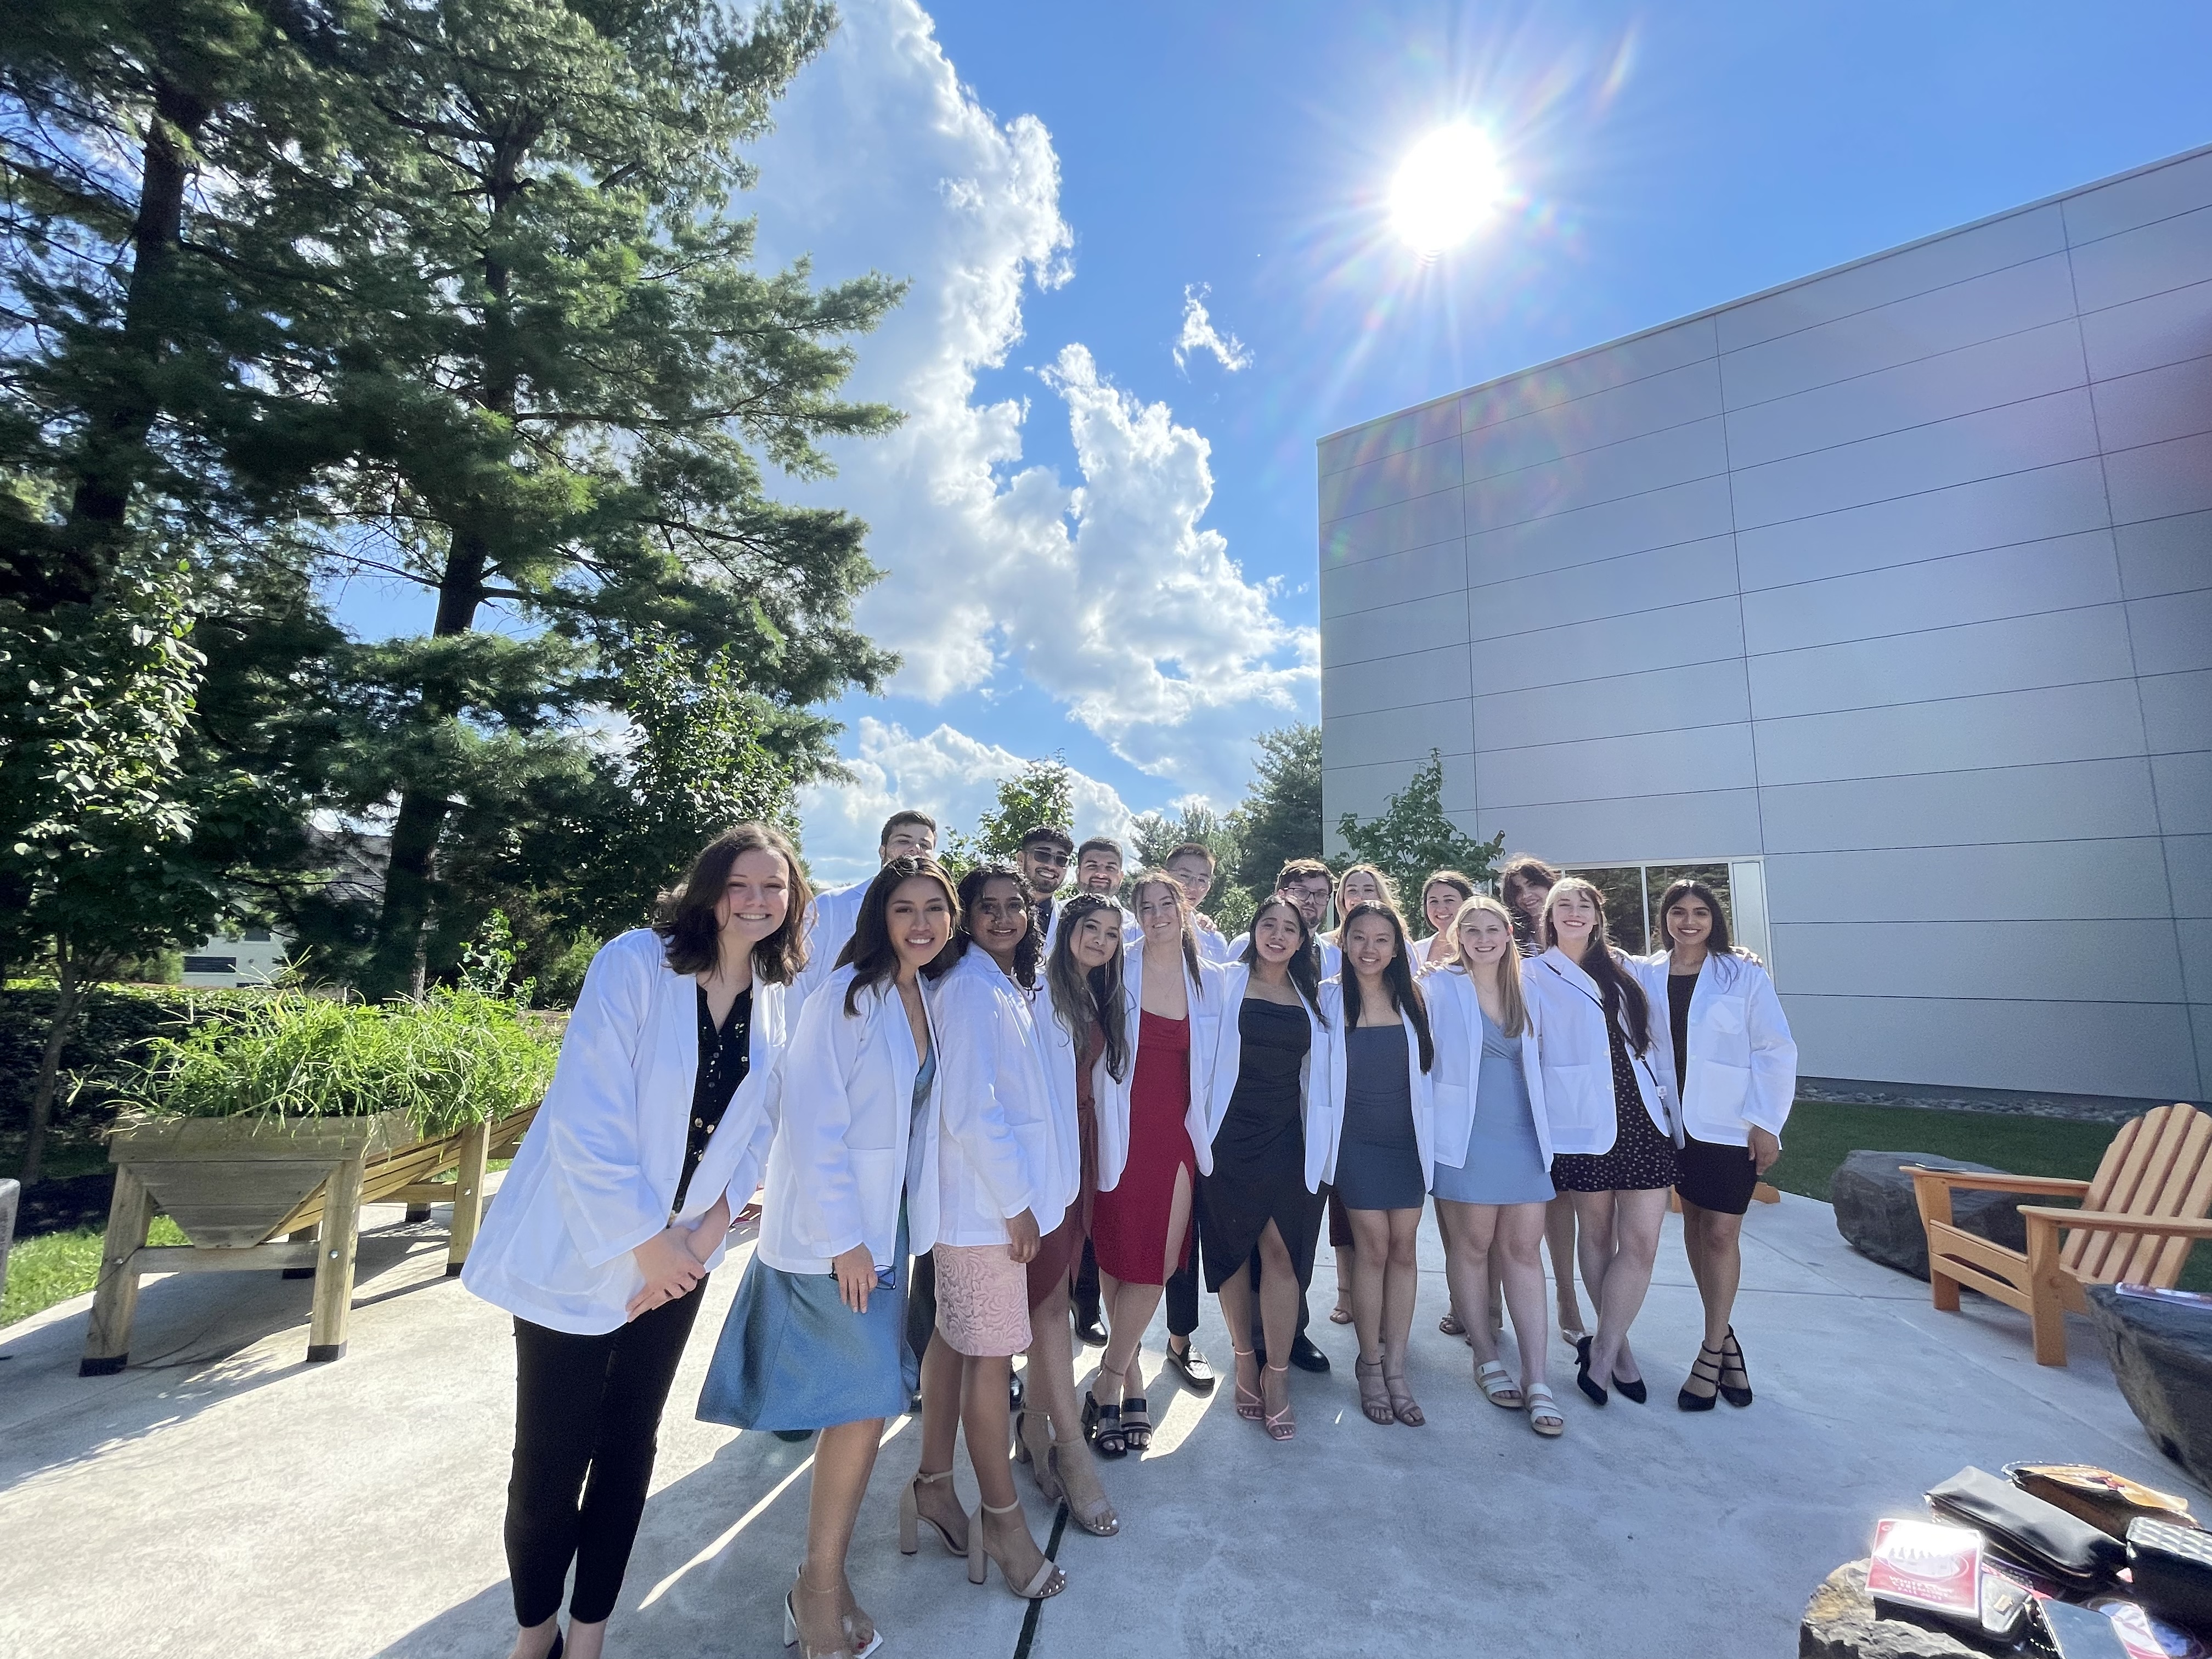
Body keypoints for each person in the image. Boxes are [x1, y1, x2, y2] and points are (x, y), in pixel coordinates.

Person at [462, 823, 803, 1659]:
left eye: (776, 888)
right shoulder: (635, 963)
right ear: (709, 887)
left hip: (685, 1257)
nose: (758, 901)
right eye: (742, 884)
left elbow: (761, 1128)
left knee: (628, 1448)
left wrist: (704, 1237)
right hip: (583, 1247)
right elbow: (586, 1116)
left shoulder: (774, 994)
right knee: (549, 1458)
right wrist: (647, 1247)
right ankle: (535, 1628)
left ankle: (589, 1635)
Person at [694, 856, 953, 1658]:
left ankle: (820, 1581)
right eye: (903, 908)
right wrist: (847, 1239)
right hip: (840, 1240)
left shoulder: (926, 997)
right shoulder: (846, 998)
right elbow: (810, 1120)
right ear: (879, 918)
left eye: (934, 908)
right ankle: (818, 1590)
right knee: (859, 1408)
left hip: (890, 1227)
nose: (920, 923)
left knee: (865, 1409)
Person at [907, 866, 1068, 1602]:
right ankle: (1002, 1522)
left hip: (979, 1209)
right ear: (966, 917)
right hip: (987, 1210)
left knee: (956, 1341)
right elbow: (971, 1108)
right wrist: (1016, 1202)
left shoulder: (995, 981)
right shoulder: (973, 988)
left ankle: (934, 1485)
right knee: (988, 1362)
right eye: (989, 907)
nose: (1004, 917)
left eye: (1016, 907)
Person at [1630, 879, 1796, 1412]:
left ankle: (1708, 1353)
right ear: (1665, 919)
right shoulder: (1647, 974)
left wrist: (1767, 1122)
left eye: (1701, 913)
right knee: (1697, 1225)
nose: (1689, 921)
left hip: (1733, 1128)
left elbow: (1774, 1048)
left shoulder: (1742, 974)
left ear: (1714, 920)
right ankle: (1725, 1339)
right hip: (1674, 1126)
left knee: (1722, 1233)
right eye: (1678, 912)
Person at [1525, 877, 1677, 1410]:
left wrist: (1737, 957)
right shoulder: (1533, 974)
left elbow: (1681, 965)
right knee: (1597, 1237)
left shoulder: (1629, 968)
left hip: (1643, 1119)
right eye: (1561, 904)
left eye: (1582, 904)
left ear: (1596, 916)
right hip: (1581, 1125)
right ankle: (1622, 1354)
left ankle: (1604, 1347)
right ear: (1548, 917)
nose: (1572, 911)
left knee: (1641, 1244)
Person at [1088, 871, 1222, 1455]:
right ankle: (1132, 1376)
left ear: (1185, 906)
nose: (1158, 913)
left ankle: (1107, 1378)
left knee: (1159, 1261)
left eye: (1167, 902)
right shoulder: (1118, 967)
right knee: (1119, 1256)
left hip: (1177, 1134)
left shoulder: (1212, 978)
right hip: (1118, 1128)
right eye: (1146, 905)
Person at [1425, 895, 1564, 1437]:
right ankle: (1484, 1353)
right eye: (1472, 930)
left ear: (1508, 933)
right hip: (1467, 1139)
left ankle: (1536, 1377)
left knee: (1524, 1252)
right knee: (1473, 1247)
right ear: (1458, 937)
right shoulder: (1440, 987)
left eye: (1492, 929)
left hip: (1526, 1139)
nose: (1483, 938)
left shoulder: (1531, 987)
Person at [1199, 894, 1335, 1441]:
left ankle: (1277, 1375)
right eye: (1268, 925)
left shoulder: (1314, 996)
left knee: (1282, 1254)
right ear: (1252, 931)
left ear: (1304, 941)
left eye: (1290, 929)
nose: (1278, 936)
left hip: (1289, 1137)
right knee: (1233, 1252)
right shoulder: (1222, 983)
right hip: (1229, 1138)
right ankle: (1245, 1359)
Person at [1018, 894, 1128, 1535]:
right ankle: (1068, 1446)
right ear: (1068, 932)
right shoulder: (1037, 995)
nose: (1103, 942)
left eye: (1114, 934)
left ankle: (1033, 1426)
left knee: (1056, 1296)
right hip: (1045, 1162)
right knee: (1046, 1303)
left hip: (1082, 1156)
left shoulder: (1096, 994)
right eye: (1093, 929)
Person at [1323, 899, 1436, 1429]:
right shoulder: (1327, 1000)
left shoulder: (1417, 998)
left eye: (1382, 940)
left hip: (1408, 1144)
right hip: (1355, 1144)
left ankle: (1397, 1367)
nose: (1370, 949)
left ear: (1397, 948)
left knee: (1406, 1250)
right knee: (1373, 1246)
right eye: (1359, 937)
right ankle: (1369, 1363)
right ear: (1343, 941)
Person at [1497, 851, 1587, 1351]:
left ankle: (1572, 1298)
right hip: (1522, 1076)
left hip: (1575, 1083)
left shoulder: (1578, 936)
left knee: (1576, 1200)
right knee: (1543, 1196)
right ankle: (1552, 1299)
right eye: (1518, 892)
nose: (1528, 897)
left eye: (1535, 887)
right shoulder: (1513, 944)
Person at [789, 811, 938, 1018]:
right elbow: (798, 986)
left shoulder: (939, 918)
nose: (915, 849)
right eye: (904, 841)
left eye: (925, 845)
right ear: (883, 851)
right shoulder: (831, 906)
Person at [1165, 840, 1237, 965]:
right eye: (1185, 876)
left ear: (1209, 887)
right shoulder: (1137, 930)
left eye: (1202, 880)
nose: (1193, 887)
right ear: (1164, 876)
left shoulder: (1215, 943)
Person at [1408, 870, 1477, 970]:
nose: (1441, 909)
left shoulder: (1481, 947)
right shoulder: (1416, 951)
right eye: (1434, 902)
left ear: (1467, 903)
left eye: (1449, 900)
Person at [1018, 825, 1074, 941]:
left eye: (1061, 860)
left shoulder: (1071, 924)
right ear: (1021, 859)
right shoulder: (987, 907)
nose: (1052, 865)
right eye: (1043, 855)